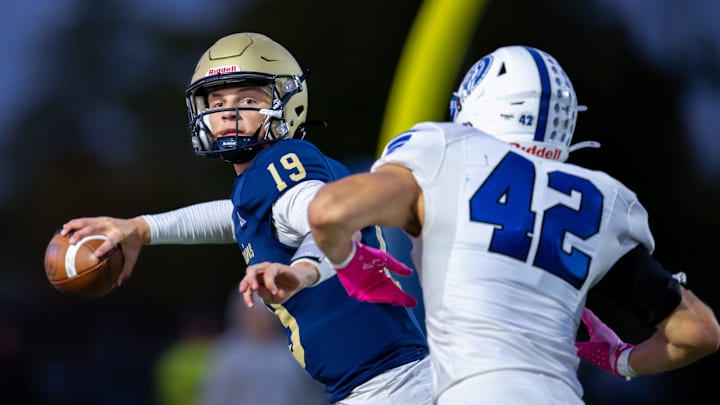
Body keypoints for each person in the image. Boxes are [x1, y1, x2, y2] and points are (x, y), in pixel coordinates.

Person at [306, 45, 720, 404]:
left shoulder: (445, 150)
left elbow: (330, 210)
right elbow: (697, 331)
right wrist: (622, 360)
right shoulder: (600, 200)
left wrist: (351, 265)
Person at [61, 32, 432, 405]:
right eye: (217, 101)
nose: (227, 112)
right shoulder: (271, 181)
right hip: (393, 381)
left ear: (288, 102)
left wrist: (302, 270)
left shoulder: (282, 165)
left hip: (389, 388)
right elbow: (236, 217)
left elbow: (332, 224)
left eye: (248, 99)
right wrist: (143, 227)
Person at [200, 290, 328, 405]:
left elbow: (312, 394)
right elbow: (215, 396)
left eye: (264, 316)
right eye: (254, 315)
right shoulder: (228, 353)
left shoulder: (293, 351)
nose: (259, 322)